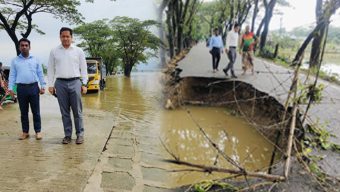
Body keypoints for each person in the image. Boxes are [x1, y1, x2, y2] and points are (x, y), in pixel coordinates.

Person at [47, 27, 88, 145]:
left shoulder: (78, 51)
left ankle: (80, 134)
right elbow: (50, 69)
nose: (65, 38)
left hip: (75, 82)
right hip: (60, 83)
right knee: (64, 112)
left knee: (77, 111)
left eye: (67, 36)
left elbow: (84, 69)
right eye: (63, 36)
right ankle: (67, 135)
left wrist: (84, 84)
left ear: (71, 37)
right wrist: (50, 85)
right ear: (60, 37)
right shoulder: (54, 51)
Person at [8, 38, 46, 140]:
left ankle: (38, 131)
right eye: (22, 45)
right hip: (21, 88)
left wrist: (43, 86)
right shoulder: (15, 61)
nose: (24, 47)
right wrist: (10, 88)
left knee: (36, 111)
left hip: (34, 87)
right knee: (23, 112)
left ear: (29, 47)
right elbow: (12, 75)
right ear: (19, 47)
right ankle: (25, 132)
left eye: (26, 45)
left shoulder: (35, 59)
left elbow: (40, 73)